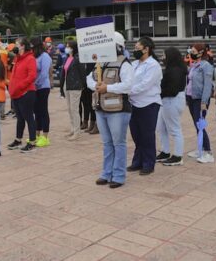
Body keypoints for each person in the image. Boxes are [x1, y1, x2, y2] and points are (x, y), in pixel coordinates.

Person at [87, 31, 133, 188]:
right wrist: (96, 86)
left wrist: (108, 87)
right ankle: (106, 173)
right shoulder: (100, 63)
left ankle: (118, 175)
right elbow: (89, 78)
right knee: (107, 143)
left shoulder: (124, 63)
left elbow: (128, 85)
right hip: (101, 108)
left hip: (118, 110)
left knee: (118, 143)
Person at [127, 36, 162, 175]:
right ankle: (137, 162)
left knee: (147, 135)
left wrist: (127, 91)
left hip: (149, 104)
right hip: (134, 104)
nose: (135, 50)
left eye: (138, 48)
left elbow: (145, 85)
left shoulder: (153, 65)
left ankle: (148, 163)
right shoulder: (134, 64)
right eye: (135, 48)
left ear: (146, 49)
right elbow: (129, 80)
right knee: (136, 134)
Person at [156, 47, 187, 166]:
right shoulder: (175, 68)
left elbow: (172, 90)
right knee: (161, 127)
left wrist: (159, 92)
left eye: (164, 55)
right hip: (168, 100)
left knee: (175, 129)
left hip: (172, 100)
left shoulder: (174, 70)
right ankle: (165, 151)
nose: (162, 58)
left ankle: (178, 156)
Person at [6, 38, 38, 153]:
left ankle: (32, 142)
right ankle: (18, 139)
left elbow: (32, 76)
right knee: (20, 118)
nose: (15, 46)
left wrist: (19, 86)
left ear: (23, 46)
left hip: (26, 93)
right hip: (16, 93)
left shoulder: (30, 59)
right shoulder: (17, 59)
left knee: (29, 117)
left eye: (17, 45)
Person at [185, 43, 215, 164]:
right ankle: (201, 148)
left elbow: (207, 85)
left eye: (193, 51)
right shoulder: (193, 65)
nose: (190, 52)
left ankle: (208, 151)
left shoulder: (206, 66)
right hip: (191, 98)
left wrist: (204, 101)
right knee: (196, 123)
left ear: (201, 52)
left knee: (200, 124)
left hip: (199, 99)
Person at [62, 41, 87, 141]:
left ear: (73, 48)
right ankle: (72, 129)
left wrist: (83, 85)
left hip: (75, 86)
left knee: (74, 109)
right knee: (69, 109)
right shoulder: (67, 58)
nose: (67, 48)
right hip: (67, 85)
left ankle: (77, 132)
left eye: (69, 46)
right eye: (66, 46)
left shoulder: (78, 58)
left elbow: (82, 73)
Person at [32, 37, 52, 147]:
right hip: (35, 87)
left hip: (43, 87)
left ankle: (45, 137)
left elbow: (44, 74)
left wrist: (36, 83)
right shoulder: (35, 57)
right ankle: (37, 134)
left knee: (43, 111)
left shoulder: (45, 57)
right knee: (36, 112)